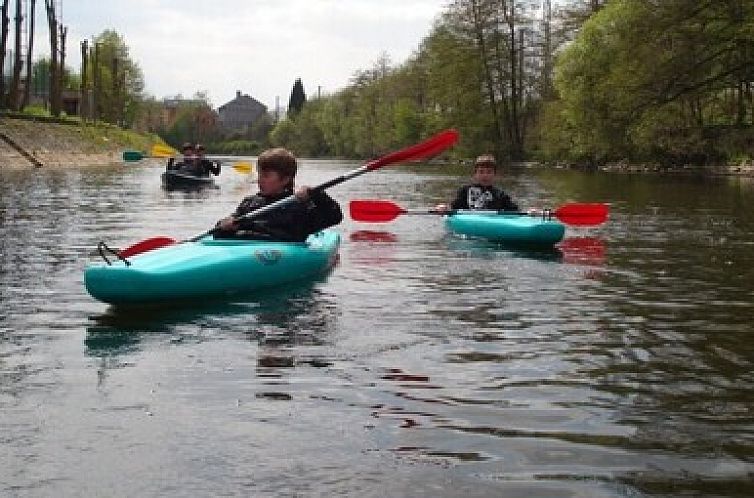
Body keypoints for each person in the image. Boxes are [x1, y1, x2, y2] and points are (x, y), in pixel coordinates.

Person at [214, 147, 342, 242]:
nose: (260, 180)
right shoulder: (249, 203)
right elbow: (219, 232)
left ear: (285, 179)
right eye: (259, 175)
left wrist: (316, 195)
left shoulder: (299, 206)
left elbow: (334, 216)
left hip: (280, 253)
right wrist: (224, 225)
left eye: (266, 176)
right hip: (247, 249)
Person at [435, 154, 519, 213]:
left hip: (491, 224)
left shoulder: (500, 194)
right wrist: (443, 207)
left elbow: (516, 211)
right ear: (475, 174)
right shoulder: (465, 191)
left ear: (494, 175)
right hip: (469, 222)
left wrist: (531, 212)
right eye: (481, 172)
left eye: (489, 172)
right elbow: (453, 207)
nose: (485, 175)